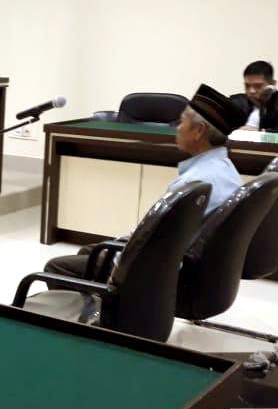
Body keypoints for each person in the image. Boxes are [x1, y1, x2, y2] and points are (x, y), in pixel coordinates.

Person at [44, 83, 246, 280]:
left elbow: (154, 241)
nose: (177, 128)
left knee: (55, 267)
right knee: (89, 252)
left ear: (198, 131)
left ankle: (103, 300)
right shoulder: (229, 173)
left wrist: (114, 262)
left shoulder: (193, 184)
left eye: (181, 122)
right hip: (196, 269)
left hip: (154, 273)